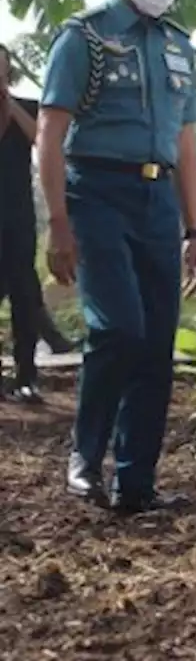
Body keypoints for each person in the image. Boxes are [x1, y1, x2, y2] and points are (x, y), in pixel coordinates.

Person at [38, 0, 196, 512]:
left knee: (156, 342)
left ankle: (137, 481)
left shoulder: (178, 44)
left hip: (159, 201)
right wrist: (58, 222)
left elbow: (186, 144)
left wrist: (195, 226)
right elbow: (50, 133)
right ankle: (86, 458)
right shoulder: (84, 39)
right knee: (118, 329)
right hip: (98, 192)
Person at [0, 44, 43, 402]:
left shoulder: (27, 107)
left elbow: (43, 141)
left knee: (25, 298)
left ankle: (27, 374)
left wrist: (10, 105)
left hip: (18, 217)